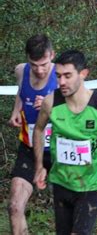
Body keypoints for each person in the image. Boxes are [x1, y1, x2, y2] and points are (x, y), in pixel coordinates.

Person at [33, 50, 97, 234]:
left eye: (67, 76)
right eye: (58, 76)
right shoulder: (51, 102)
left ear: (83, 74)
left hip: (90, 187)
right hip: (60, 182)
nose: (62, 82)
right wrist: (40, 165)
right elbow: (39, 129)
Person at [8, 34, 57, 235]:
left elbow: (80, 114)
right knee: (15, 207)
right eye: (34, 64)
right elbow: (21, 92)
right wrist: (15, 111)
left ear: (53, 55)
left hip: (60, 150)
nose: (39, 70)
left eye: (44, 64)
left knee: (70, 215)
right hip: (29, 148)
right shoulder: (21, 70)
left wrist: (52, 107)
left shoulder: (66, 76)